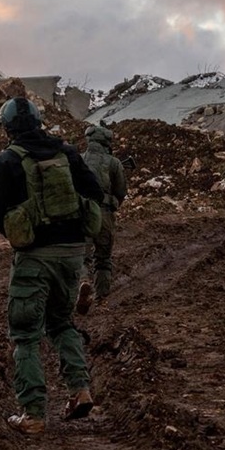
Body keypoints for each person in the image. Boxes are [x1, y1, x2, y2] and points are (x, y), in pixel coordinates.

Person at [0, 98, 104, 435]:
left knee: (25, 335)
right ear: (38, 122)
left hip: (34, 258)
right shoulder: (67, 153)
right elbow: (96, 193)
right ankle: (80, 390)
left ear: (7, 128)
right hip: (73, 255)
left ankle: (33, 414)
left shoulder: (6, 161)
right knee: (62, 324)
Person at [77, 124, 127, 313]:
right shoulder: (114, 163)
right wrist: (112, 205)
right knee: (103, 259)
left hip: (83, 212)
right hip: (105, 214)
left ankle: (83, 281)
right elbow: (121, 191)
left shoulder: (79, 160)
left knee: (81, 256)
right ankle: (101, 300)